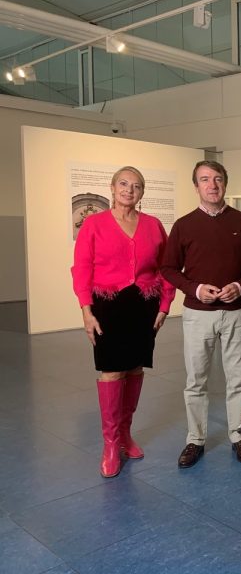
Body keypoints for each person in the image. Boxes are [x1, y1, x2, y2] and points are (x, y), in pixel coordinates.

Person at [161, 160, 241, 468]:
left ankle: (239, 437)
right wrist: (194, 289)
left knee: (238, 380)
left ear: (225, 183)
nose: (212, 185)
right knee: (196, 381)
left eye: (217, 179)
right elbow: (168, 268)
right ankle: (195, 440)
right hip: (198, 314)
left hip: (236, 312)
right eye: (205, 180)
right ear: (196, 186)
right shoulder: (183, 225)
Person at [72, 166, 176, 478]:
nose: (129, 190)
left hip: (143, 305)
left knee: (134, 368)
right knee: (111, 371)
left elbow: (165, 268)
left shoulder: (154, 225)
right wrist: (86, 311)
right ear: (112, 187)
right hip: (108, 305)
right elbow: (81, 268)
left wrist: (165, 305)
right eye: (123, 184)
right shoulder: (94, 224)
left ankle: (126, 434)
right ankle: (110, 443)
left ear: (142, 193)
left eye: (136, 186)